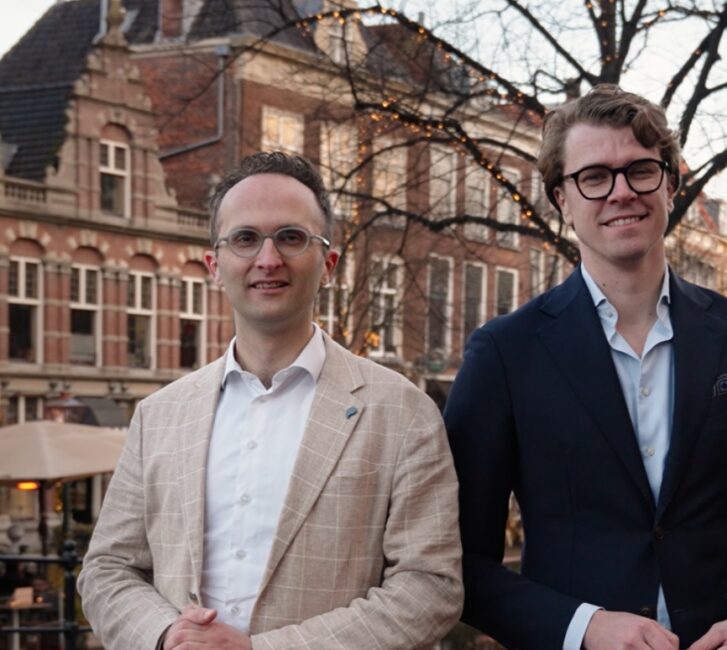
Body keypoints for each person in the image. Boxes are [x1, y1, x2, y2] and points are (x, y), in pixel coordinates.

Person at [444, 85, 727, 650]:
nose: (621, 191)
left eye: (641, 171)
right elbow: (459, 560)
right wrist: (584, 627)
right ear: (561, 199)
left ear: (670, 184)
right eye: (594, 177)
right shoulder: (504, 354)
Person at [79, 152, 462, 650]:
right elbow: (107, 568)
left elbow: (430, 588)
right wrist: (167, 634)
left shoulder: (404, 413)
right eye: (245, 238)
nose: (268, 259)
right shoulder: (159, 416)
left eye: (290, 237)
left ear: (328, 265)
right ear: (215, 267)